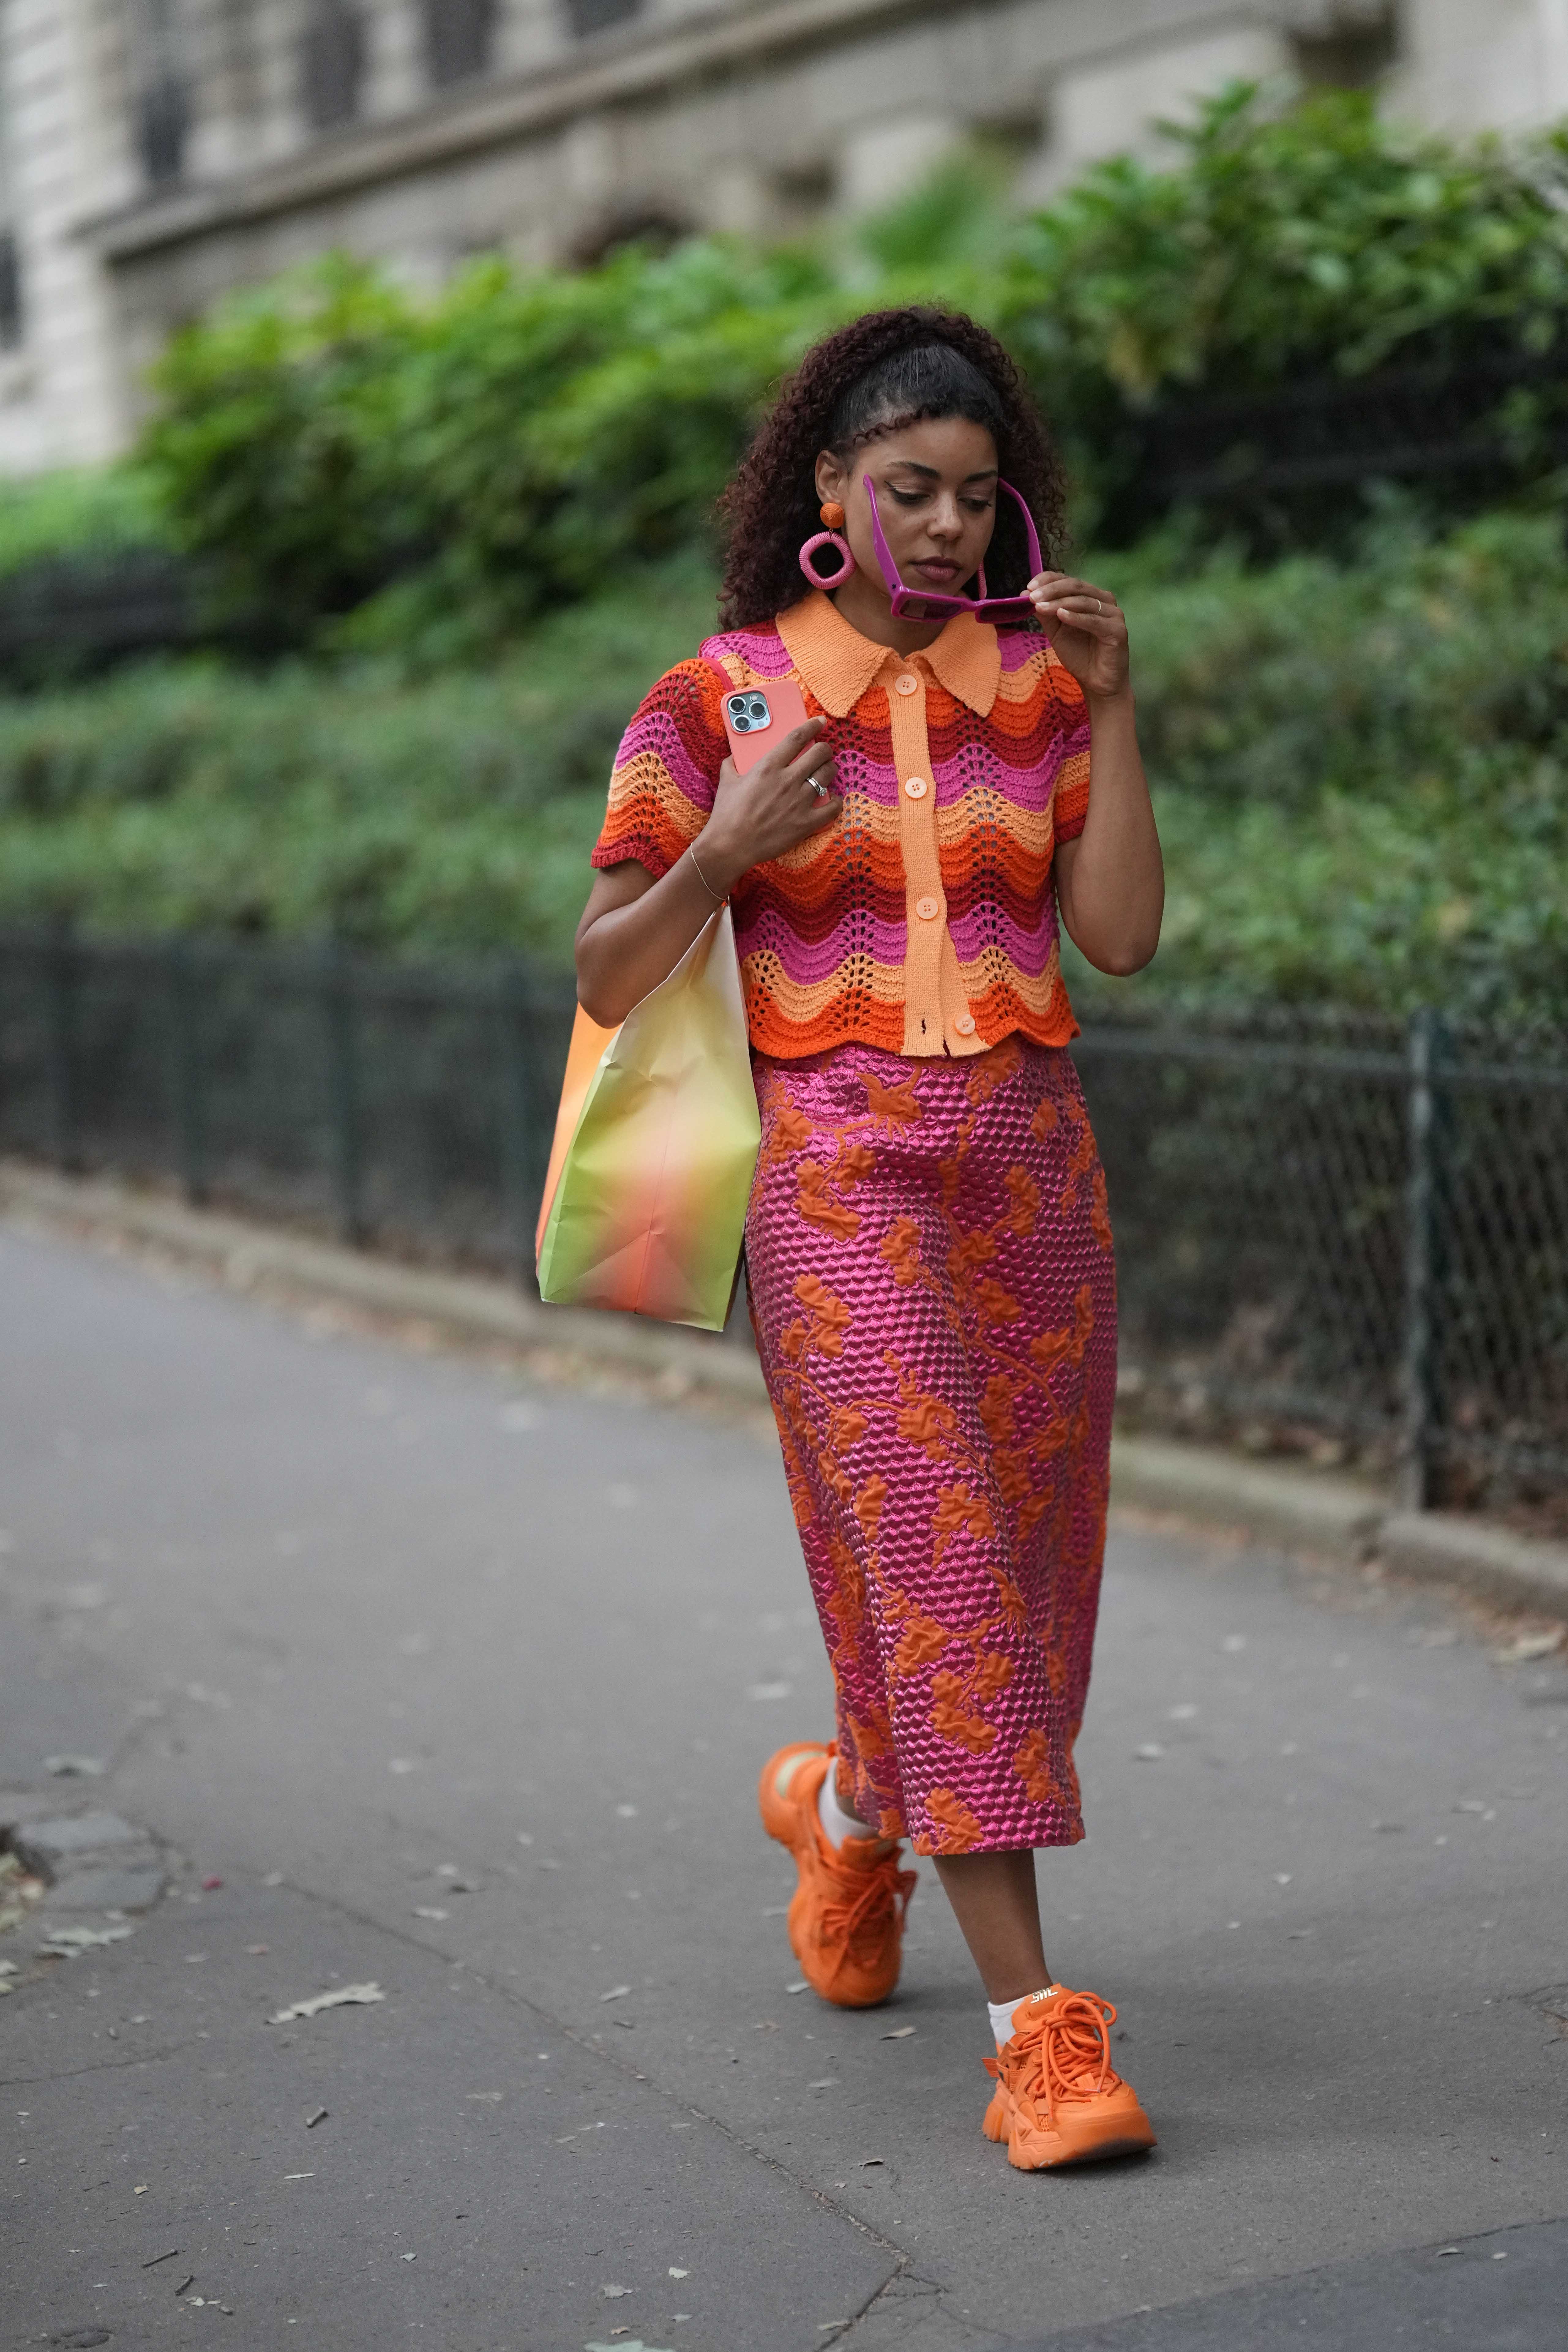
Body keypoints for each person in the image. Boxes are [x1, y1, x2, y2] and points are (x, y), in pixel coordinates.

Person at [575, 307, 1165, 2172]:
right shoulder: (719, 702)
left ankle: (847, 1811)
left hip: (1028, 1172)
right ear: (825, 489)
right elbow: (603, 968)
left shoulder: (1042, 686)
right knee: (944, 1569)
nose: (939, 525)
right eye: (904, 488)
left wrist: (1123, 704)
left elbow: (1123, 937)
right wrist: (724, 847)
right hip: (834, 1180)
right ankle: (1041, 2039)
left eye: (974, 499)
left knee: (1031, 1590)